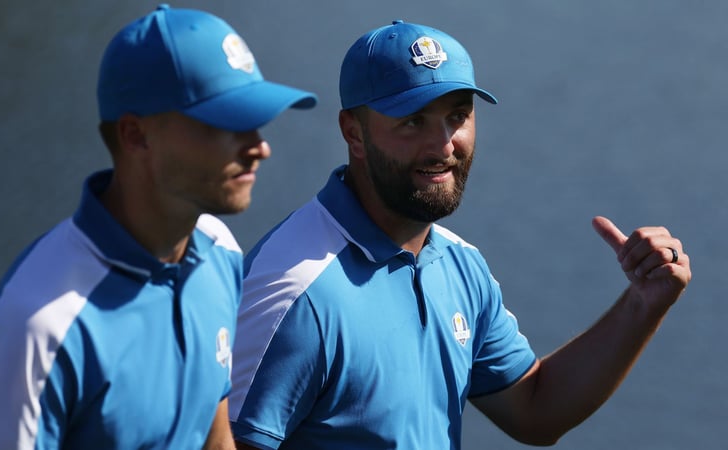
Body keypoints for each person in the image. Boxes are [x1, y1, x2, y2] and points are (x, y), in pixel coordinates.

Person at [228, 20, 691, 449]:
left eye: (457, 115)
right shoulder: (294, 291)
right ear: (354, 132)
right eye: (412, 121)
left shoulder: (457, 263)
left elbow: (535, 410)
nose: (444, 145)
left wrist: (642, 304)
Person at [0, 4, 316, 449]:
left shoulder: (219, 252)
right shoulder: (39, 327)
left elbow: (214, 436)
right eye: (227, 122)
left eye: (256, 122)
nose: (260, 147)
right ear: (135, 136)